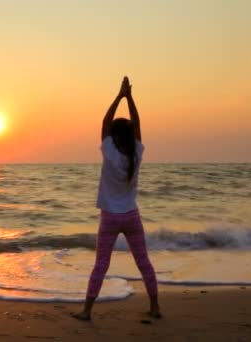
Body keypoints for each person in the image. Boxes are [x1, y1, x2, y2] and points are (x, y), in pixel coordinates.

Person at [73, 77, 161, 321]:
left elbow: (104, 122)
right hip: (131, 215)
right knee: (143, 262)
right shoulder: (136, 153)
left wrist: (119, 96)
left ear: (112, 135)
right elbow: (137, 123)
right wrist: (129, 97)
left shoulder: (110, 151)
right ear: (132, 135)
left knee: (101, 264)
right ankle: (155, 307)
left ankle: (87, 311)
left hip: (110, 217)